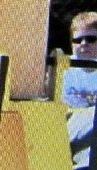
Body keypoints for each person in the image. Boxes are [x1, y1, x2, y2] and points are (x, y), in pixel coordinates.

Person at [64, 12, 97, 168]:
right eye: (77, 40)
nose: (83, 44)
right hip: (65, 128)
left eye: (91, 39)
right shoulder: (63, 69)